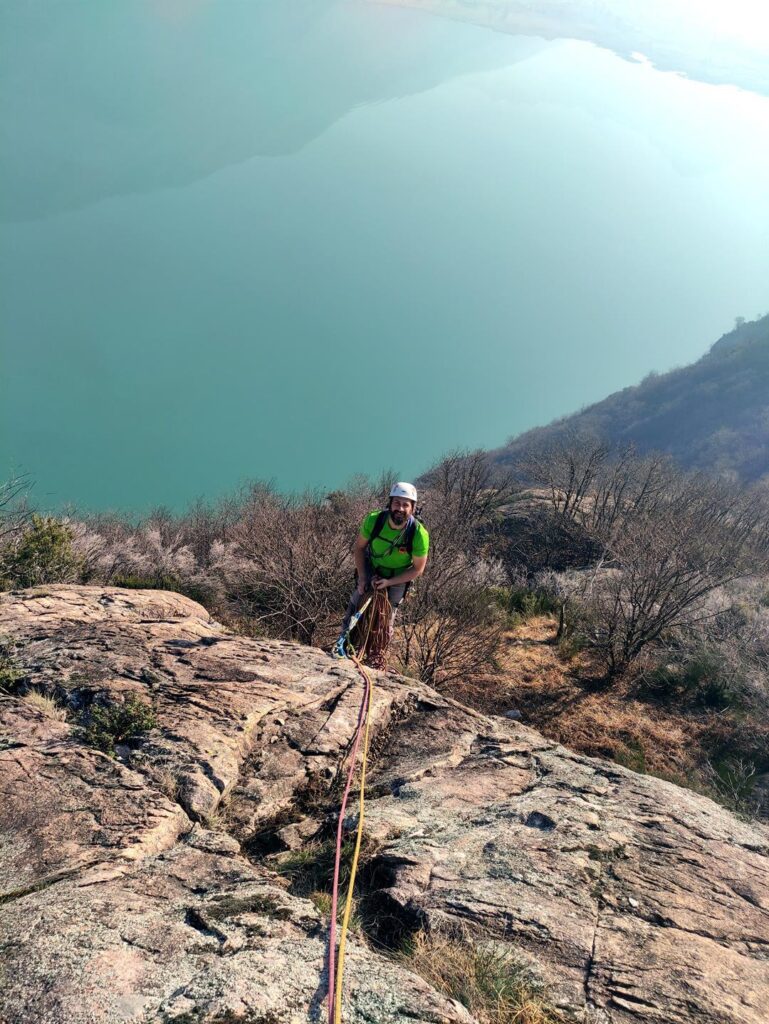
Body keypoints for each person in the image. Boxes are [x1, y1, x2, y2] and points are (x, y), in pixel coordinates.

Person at [333, 482, 429, 660]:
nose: (400, 508)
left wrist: (389, 583)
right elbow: (359, 548)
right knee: (356, 603)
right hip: (372, 568)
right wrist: (362, 577)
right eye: (397, 503)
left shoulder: (418, 534)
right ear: (390, 503)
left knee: (386, 618)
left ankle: (376, 655)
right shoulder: (374, 520)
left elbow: (418, 569)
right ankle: (344, 644)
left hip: (398, 577)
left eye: (405, 504)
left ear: (413, 508)